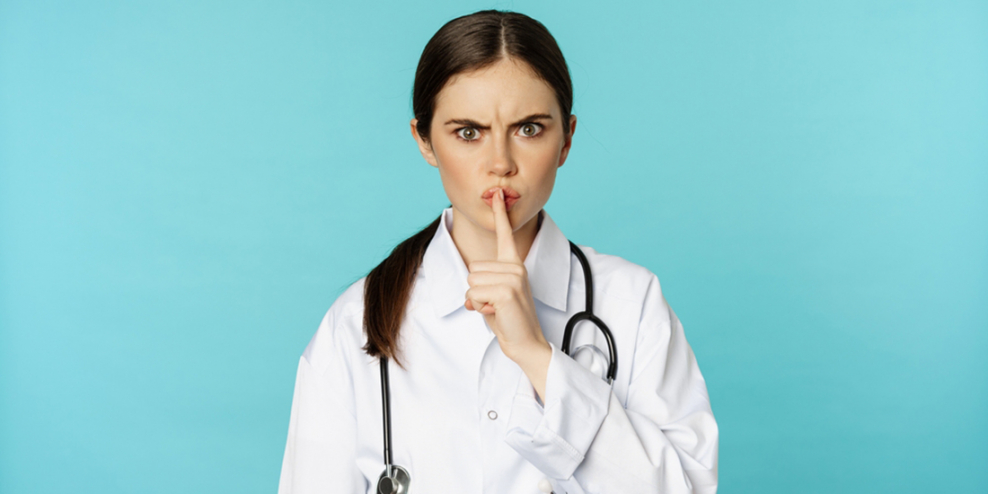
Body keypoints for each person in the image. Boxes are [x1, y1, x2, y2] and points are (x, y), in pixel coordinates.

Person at [277, 9, 718, 494]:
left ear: (567, 138)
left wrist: (536, 355)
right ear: (424, 141)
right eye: (469, 132)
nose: (501, 163)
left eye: (529, 129)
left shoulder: (632, 303)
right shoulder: (354, 323)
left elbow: (687, 489)